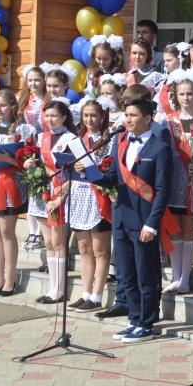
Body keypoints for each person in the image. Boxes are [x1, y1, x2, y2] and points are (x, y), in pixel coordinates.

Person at [87, 98, 174, 343]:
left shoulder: (160, 148)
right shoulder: (121, 143)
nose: (128, 120)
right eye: (126, 115)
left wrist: (152, 223)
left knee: (146, 273)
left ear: (148, 118)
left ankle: (146, 322)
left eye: (133, 115)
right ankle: (134, 319)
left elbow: (162, 190)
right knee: (126, 273)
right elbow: (112, 178)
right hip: (121, 217)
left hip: (144, 219)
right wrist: (90, 173)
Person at [0, 89, 36, 297]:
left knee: (7, 231)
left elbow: (28, 160)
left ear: (12, 106)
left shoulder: (24, 130)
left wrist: (9, 160)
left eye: (3, 105)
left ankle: (10, 279)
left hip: (12, 182)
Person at [24, 98, 78, 305]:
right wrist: (30, 163)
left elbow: (76, 171)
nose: (50, 119)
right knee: (48, 242)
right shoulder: (42, 137)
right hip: (44, 191)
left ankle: (60, 289)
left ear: (64, 117)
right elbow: (40, 162)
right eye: (46, 116)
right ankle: (52, 287)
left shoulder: (71, 139)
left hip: (62, 191)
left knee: (58, 241)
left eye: (54, 116)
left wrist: (62, 195)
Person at [157, 70, 193, 295]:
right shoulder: (168, 121)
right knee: (174, 229)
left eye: (190, 93)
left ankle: (185, 278)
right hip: (173, 177)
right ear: (176, 95)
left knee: (189, 228)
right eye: (182, 94)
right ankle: (176, 277)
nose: (186, 97)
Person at [66, 98, 114, 312]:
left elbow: (111, 167)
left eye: (94, 115)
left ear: (102, 116)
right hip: (80, 194)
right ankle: (85, 293)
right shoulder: (77, 140)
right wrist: (74, 166)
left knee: (100, 249)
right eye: (86, 115)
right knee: (84, 248)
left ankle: (97, 295)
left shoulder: (109, 140)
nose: (89, 119)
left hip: (99, 195)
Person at [17, 66, 46, 250]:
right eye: (30, 80)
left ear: (43, 81)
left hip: (45, 147)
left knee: (42, 189)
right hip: (29, 148)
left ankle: (41, 232)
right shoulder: (23, 101)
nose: (33, 84)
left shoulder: (48, 100)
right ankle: (32, 231)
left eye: (37, 80)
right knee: (31, 190)